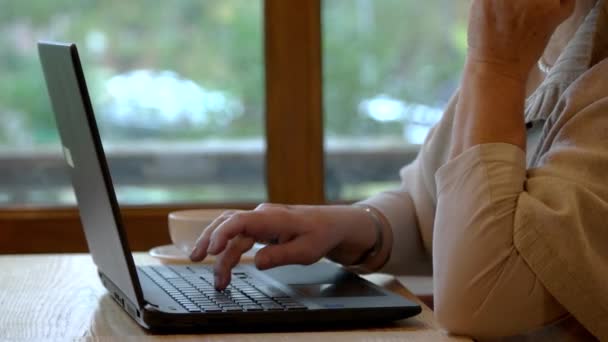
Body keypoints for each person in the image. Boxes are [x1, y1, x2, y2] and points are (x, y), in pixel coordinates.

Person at [190, 0, 608, 339]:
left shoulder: (508, 49)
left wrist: (494, 66)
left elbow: (479, 300)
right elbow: (438, 206)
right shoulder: (541, 29)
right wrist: (344, 225)